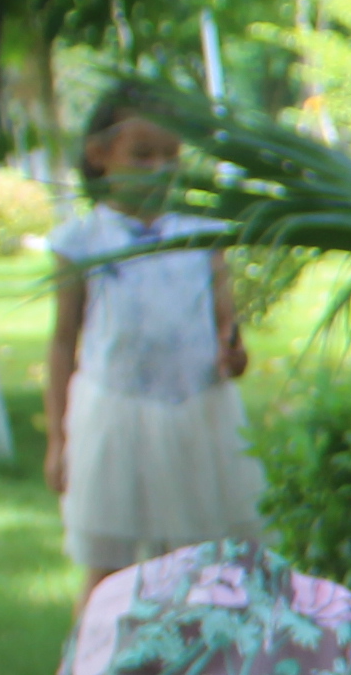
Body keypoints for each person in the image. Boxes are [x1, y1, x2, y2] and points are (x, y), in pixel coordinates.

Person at [40, 88, 267, 590]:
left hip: (198, 410)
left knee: (207, 560)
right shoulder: (81, 242)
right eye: (142, 155)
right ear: (100, 157)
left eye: (171, 156)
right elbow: (62, 342)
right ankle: (94, 663)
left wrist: (233, 349)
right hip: (116, 411)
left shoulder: (202, 233)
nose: (160, 168)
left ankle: (197, 659)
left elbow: (224, 317)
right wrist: (58, 437)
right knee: (109, 566)